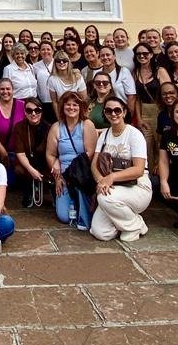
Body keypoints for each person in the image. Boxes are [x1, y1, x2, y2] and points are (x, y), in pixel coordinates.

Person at [90, 96, 151, 242]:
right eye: (109, 110)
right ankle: (125, 221)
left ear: (124, 112)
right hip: (113, 188)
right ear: (104, 113)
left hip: (136, 186)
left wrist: (110, 178)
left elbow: (139, 169)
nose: (113, 114)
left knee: (104, 198)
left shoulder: (134, 134)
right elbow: (94, 164)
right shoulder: (104, 135)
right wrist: (101, 181)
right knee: (100, 233)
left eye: (117, 110)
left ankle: (135, 225)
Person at [46, 92, 98, 230]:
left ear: (81, 107)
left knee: (85, 211)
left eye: (75, 105)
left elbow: (90, 153)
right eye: (68, 104)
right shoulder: (56, 127)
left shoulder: (87, 125)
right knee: (64, 216)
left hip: (81, 173)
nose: (71, 107)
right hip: (63, 175)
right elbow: (50, 154)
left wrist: (73, 173)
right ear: (62, 107)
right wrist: (57, 174)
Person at [97, 46, 138, 123]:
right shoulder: (98, 73)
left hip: (120, 114)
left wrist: (128, 117)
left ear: (114, 56)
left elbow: (131, 96)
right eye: (102, 55)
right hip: (105, 113)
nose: (105, 57)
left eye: (108, 55)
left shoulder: (124, 72)